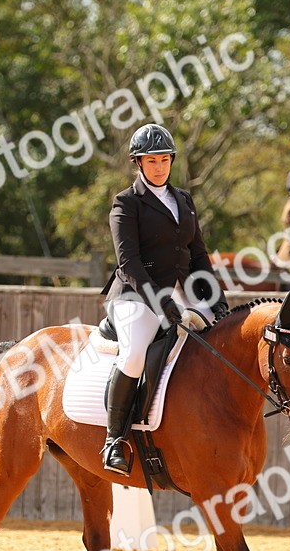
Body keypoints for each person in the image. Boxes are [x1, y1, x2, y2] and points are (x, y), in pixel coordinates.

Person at [98, 123, 230, 476]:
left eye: (164, 160)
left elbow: (198, 255)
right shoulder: (126, 203)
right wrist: (160, 301)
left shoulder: (183, 200)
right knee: (134, 353)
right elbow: (129, 263)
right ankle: (114, 440)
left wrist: (216, 298)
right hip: (136, 296)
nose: (159, 167)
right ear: (138, 163)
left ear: (172, 160)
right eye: (151, 161)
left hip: (182, 291)